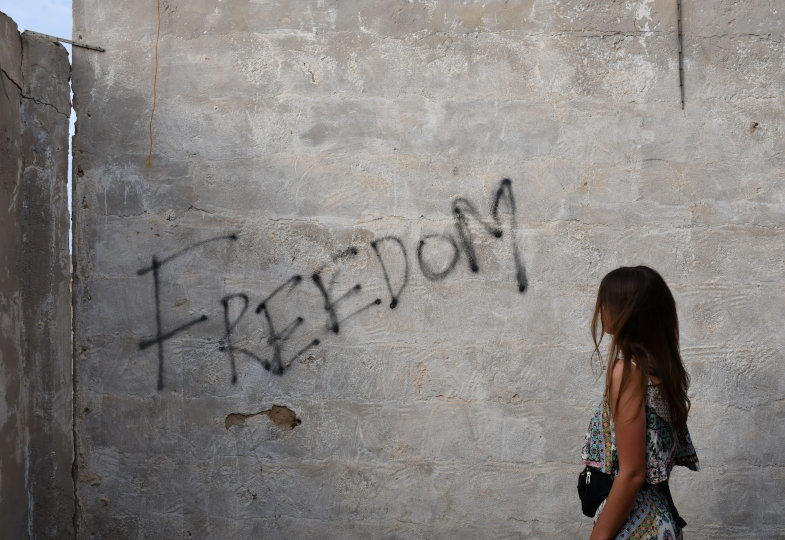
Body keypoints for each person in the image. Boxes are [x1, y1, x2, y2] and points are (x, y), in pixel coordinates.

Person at [581, 266, 699, 539]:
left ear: (627, 311)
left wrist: (599, 536)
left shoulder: (627, 372)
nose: (600, 311)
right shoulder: (664, 372)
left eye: (605, 303)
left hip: (635, 525)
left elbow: (633, 473)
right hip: (661, 520)